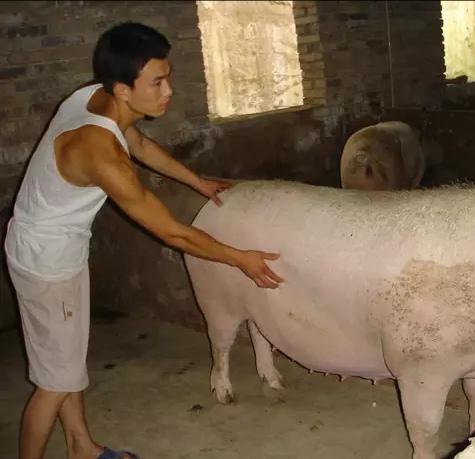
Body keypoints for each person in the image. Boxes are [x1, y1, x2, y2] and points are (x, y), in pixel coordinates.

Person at [4, 22, 283, 459]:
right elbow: (171, 231)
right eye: (156, 82)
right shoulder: (99, 152)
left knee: (64, 360)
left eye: (168, 76)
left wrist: (197, 181)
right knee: (54, 382)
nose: (168, 90)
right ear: (124, 89)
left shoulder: (94, 98)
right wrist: (239, 258)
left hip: (47, 247)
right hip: (48, 264)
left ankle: (81, 447)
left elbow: (140, 145)